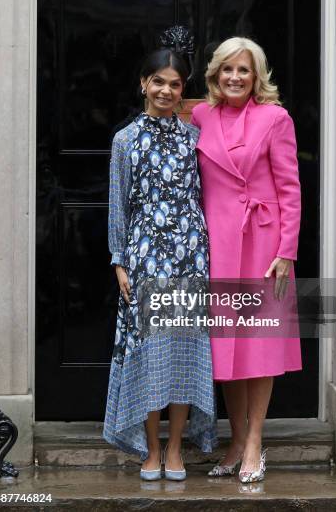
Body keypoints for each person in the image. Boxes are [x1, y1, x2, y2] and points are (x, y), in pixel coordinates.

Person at [191, 36, 302, 483]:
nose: (235, 77)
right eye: (227, 70)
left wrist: (286, 252)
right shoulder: (199, 115)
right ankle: (235, 440)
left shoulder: (276, 118)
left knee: (258, 345)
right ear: (215, 75)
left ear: (257, 77)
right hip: (217, 244)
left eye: (244, 70)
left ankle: (255, 441)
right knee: (226, 349)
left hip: (262, 244)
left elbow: (291, 189)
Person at [103, 47, 217, 481]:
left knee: (185, 353)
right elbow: (118, 205)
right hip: (145, 258)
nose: (166, 90)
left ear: (181, 89)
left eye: (175, 84)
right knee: (151, 355)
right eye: (159, 81)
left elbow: (207, 196)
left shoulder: (194, 138)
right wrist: (119, 262)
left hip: (190, 256)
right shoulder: (126, 140)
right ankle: (150, 448)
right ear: (143, 84)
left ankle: (175, 449)